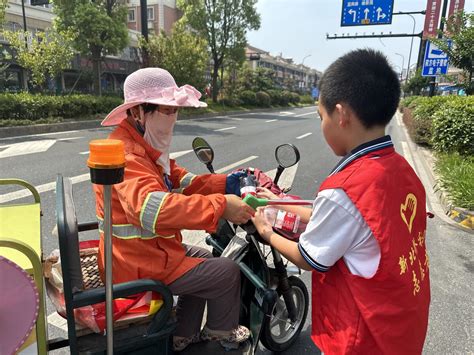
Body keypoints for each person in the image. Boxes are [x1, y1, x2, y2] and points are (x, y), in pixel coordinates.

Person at [252, 49, 430, 354]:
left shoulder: (345, 188)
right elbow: (348, 219)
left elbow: (308, 258)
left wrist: (266, 231)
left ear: (342, 114)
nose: (322, 126)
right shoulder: (399, 169)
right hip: (401, 322)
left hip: (363, 335)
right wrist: (278, 202)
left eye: (321, 117)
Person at [93, 67, 254, 352]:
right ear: (139, 112)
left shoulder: (145, 146)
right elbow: (153, 210)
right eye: (166, 110)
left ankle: (183, 335)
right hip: (136, 264)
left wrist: (228, 183)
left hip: (146, 252)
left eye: (174, 110)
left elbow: (181, 180)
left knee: (205, 257)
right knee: (227, 272)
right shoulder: (128, 154)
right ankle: (221, 334)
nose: (172, 118)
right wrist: (221, 207)